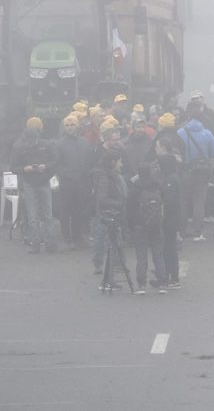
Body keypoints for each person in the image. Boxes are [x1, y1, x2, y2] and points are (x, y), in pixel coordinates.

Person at [11, 117, 60, 253]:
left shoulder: (48, 145)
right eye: (28, 142)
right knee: (32, 216)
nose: (31, 144)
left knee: (47, 215)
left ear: (38, 138)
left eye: (33, 142)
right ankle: (36, 244)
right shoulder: (19, 147)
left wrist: (46, 167)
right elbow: (13, 167)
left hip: (43, 182)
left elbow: (56, 161)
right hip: (29, 183)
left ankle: (51, 244)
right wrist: (24, 169)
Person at [127, 163, 168, 294]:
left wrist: (131, 225)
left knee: (141, 256)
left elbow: (129, 208)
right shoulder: (157, 186)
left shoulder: (135, 188)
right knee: (158, 254)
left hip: (140, 225)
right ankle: (162, 283)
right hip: (156, 224)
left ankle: (141, 284)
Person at [178, 116, 214, 241]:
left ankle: (182, 231)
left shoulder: (180, 133)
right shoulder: (207, 133)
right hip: (203, 172)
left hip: (186, 171)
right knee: (199, 201)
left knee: (183, 201)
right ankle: (198, 232)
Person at [56, 114, 94, 249]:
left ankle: (78, 237)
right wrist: (68, 175)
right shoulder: (59, 144)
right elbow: (57, 165)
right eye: (67, 125)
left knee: (79, 210)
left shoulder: (84, 142)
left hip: (82, 182)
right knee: (65, 211)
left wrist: (86, 176)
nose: (70, 128)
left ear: (77, 126)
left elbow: (89, 161)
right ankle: (66, 238)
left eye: (72, 125)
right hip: (67, 183)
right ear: (64, 128)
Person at [92, 149, 127, 286]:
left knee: (115, 240)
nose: (121, 164)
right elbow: (102, 198)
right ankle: (102, 266)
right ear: (113, 162)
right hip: (107, 214)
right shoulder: (105, 177)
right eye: (120, 161)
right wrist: (119, 203)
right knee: (106, 240)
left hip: (113, 212)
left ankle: (118, 263)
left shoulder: (114, 175)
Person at [153, 140, 184, 289]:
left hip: (170, 219)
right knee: (168, 247)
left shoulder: (171, 180)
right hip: (172, 218)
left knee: (169, 248)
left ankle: (172, 276)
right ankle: (168, 274)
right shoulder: (172, 177)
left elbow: (169, 201)